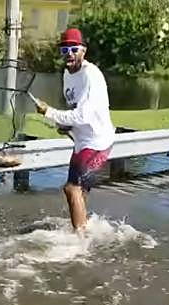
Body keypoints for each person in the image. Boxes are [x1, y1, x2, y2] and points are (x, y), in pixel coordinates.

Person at [33, 28, 115, 233]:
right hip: (81, 142)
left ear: (83, 51)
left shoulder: (91, 75)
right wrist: (66, 125)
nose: (69, 54)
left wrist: (50, 112)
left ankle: (80, 244)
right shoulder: (67, 75)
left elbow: (84, 115)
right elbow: (76, 111)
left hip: (97, 142)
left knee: (72, 189)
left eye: (74, 49)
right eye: (64, 50)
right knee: (80, 193)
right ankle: (84, 229)